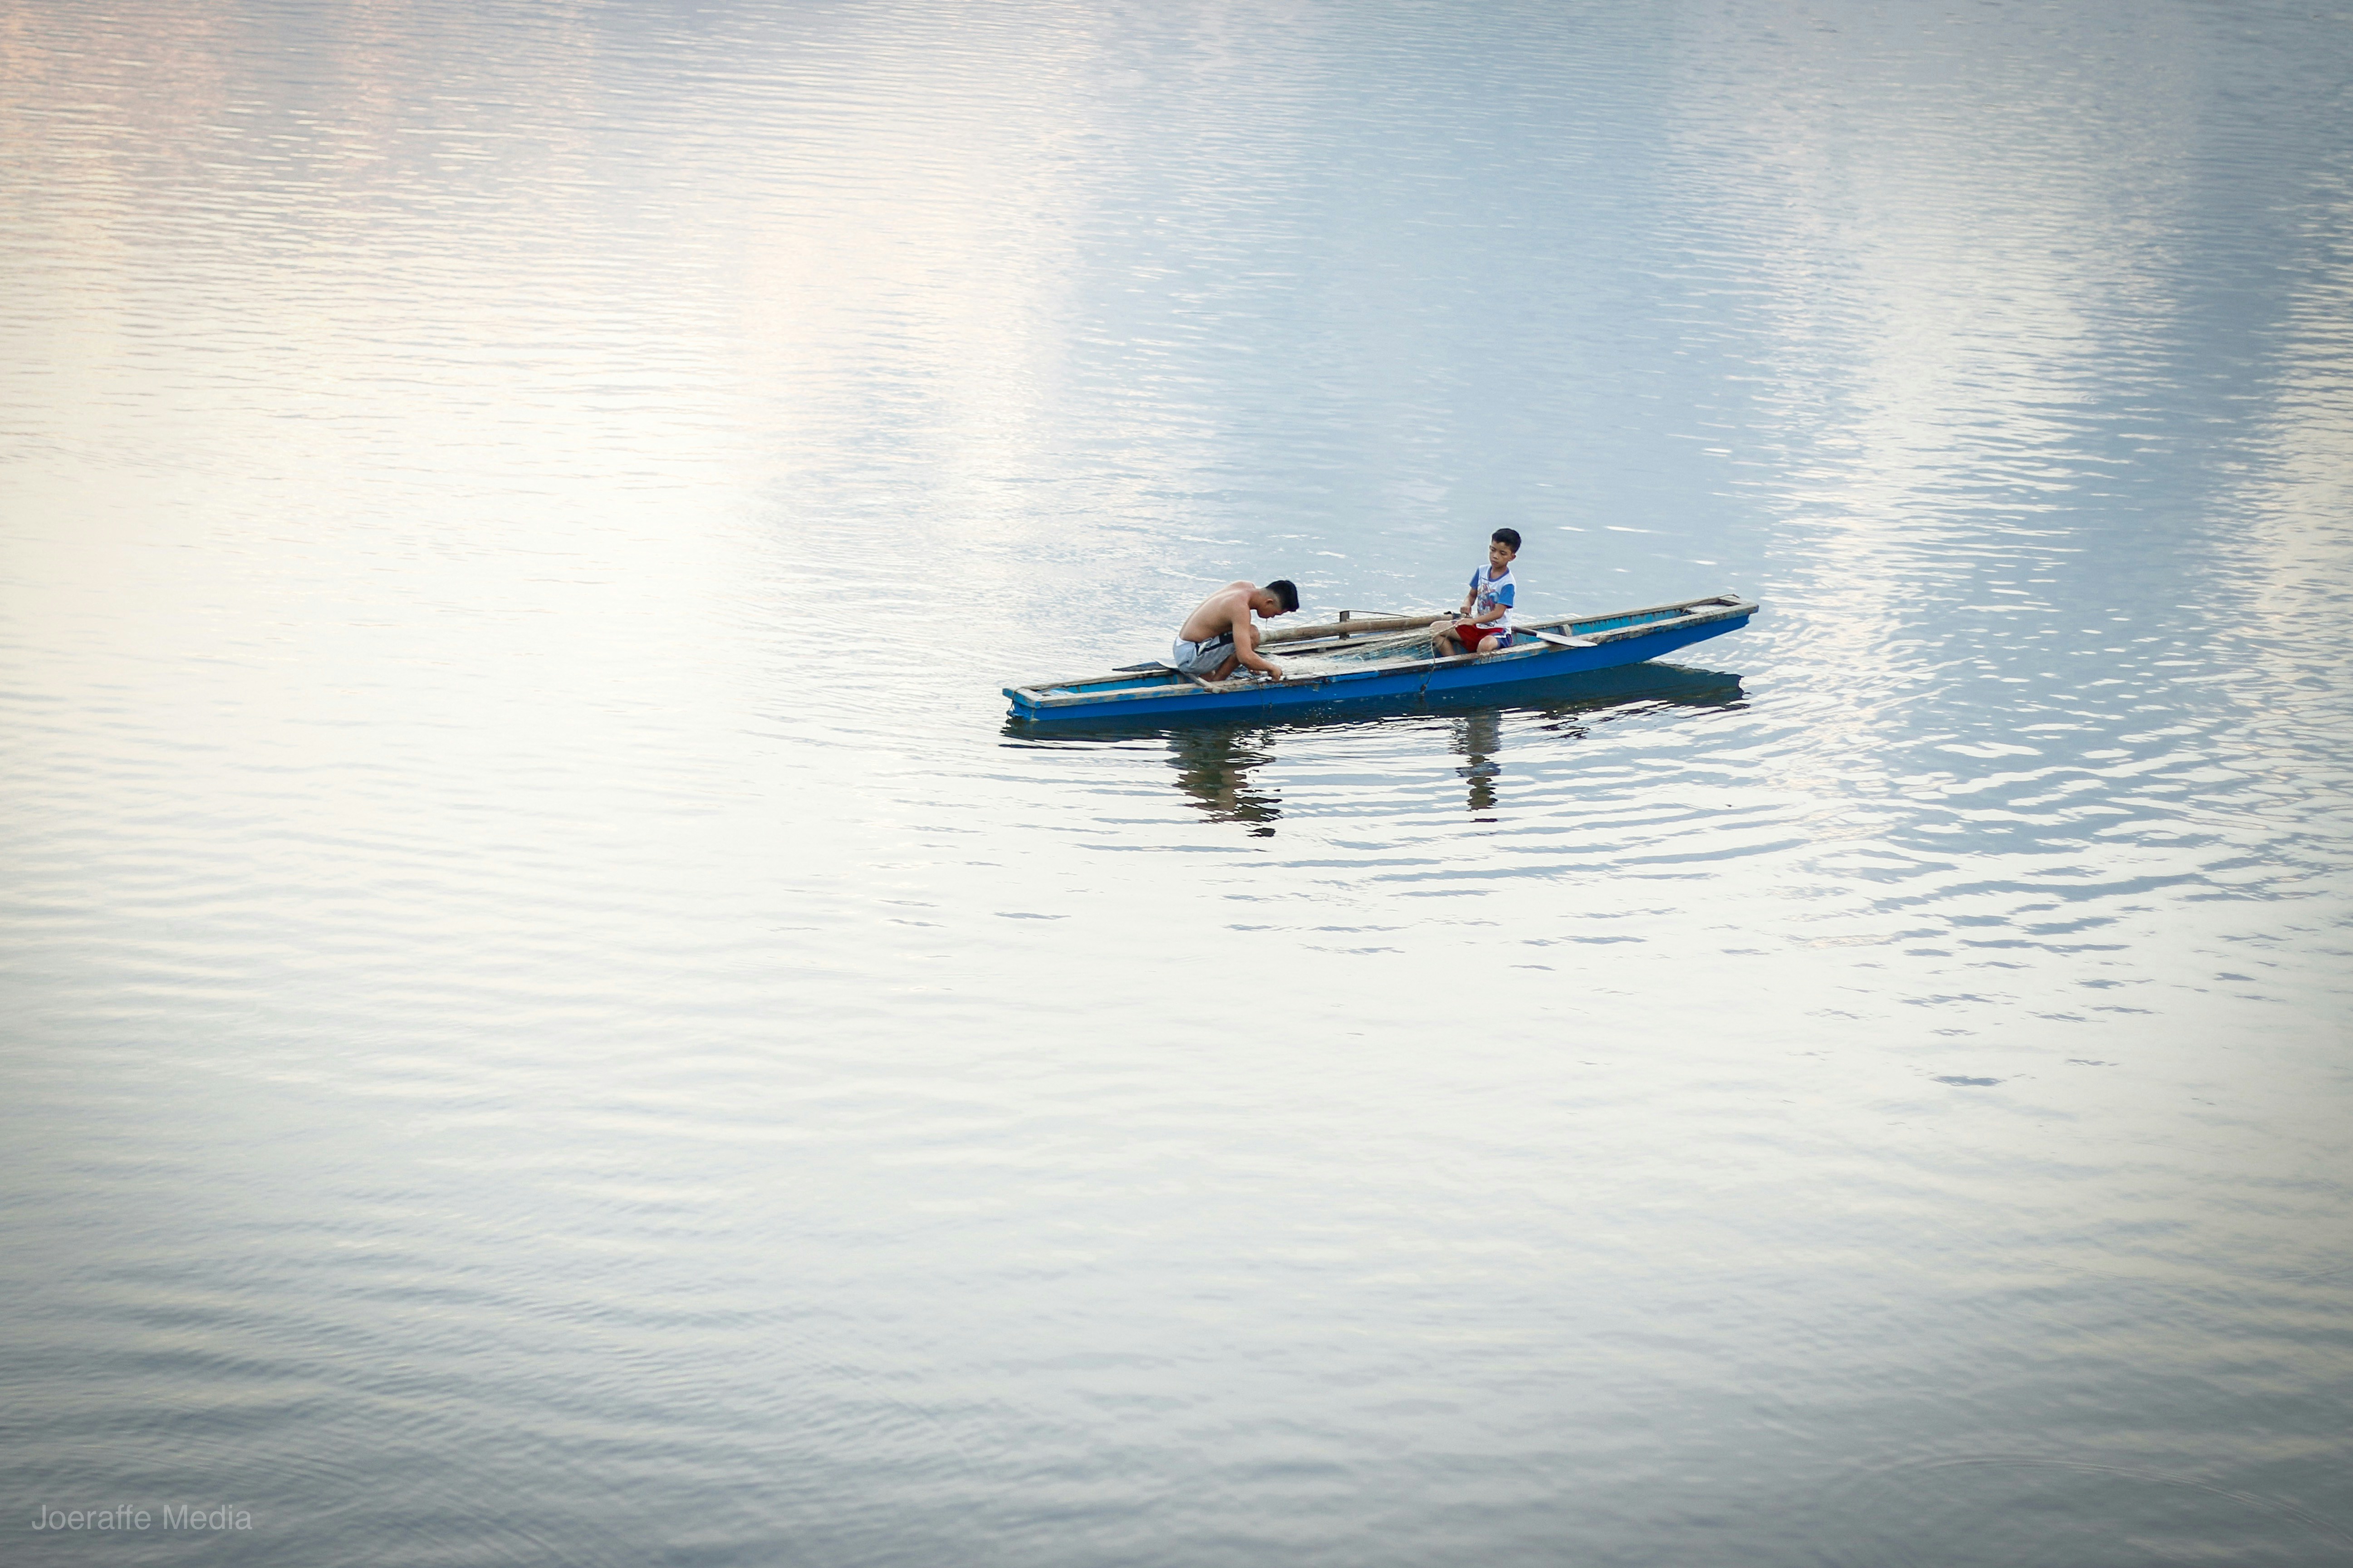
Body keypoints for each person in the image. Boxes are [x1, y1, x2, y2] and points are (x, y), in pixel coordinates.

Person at [1171, 579, 1300, 681]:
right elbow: (1245, 657)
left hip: (1184, 647)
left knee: (1246, 635)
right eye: (1275, 614)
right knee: (1252, 635)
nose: (1272, 617)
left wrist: (1255, 663)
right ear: (1269, 602)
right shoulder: (1240, 608)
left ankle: (1209, 673)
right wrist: (1272, 668)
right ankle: (1217, 682)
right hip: (1190, 658)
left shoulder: (1243, 586)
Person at [1431, 529, 1521, 655]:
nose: (1495, 556)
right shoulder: (1482, 571)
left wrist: (1473, 621)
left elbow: (1498, 613)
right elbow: (1471, 596)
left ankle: (1475, 665)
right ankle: (1453, 662)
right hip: (1478, 626)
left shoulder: (1508, 583)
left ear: (1512, 557)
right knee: (1435, 628)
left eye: (1503, 554)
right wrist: (1467, 604)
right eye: (1493, 550)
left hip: (1497, 631)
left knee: (1485, 645)